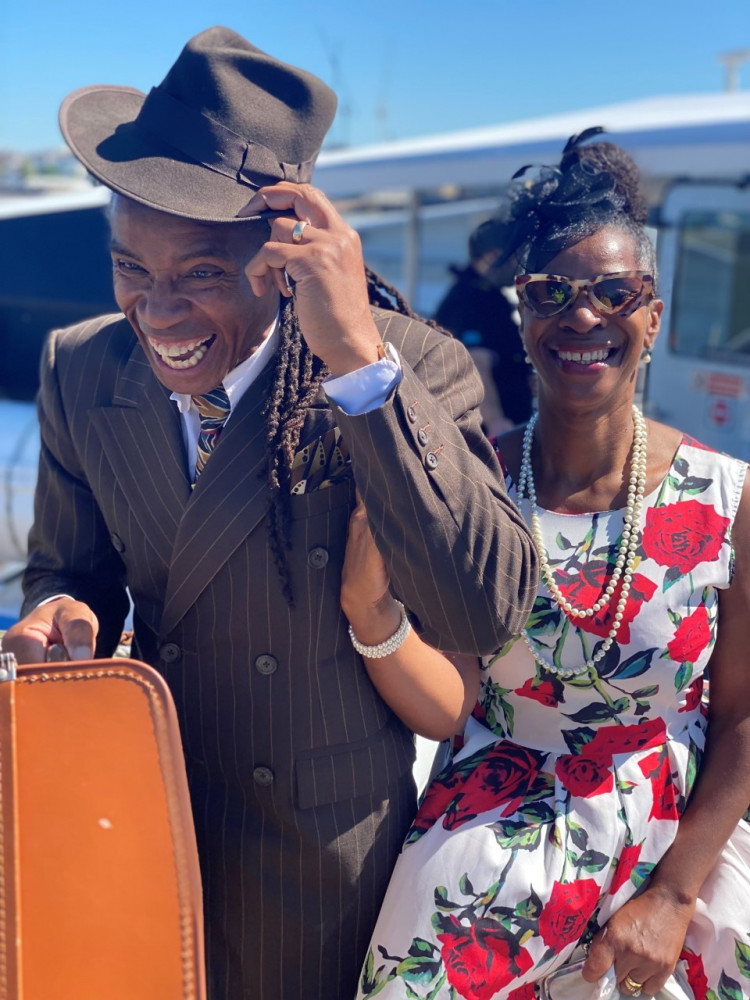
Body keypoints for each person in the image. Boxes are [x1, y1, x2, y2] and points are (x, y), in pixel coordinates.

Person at [2, 27, 539, 1000]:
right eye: (131, 268)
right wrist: (62, 616)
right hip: (137, 824)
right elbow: (69, 569)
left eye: (202, 273)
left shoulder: (401, 372)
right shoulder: (81, 368)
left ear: (290, 251)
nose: (158, 313)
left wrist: (359, 364)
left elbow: (483, 612)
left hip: (318, 866)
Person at [343, 134, 750, 999]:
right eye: (550, 293)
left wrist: (675, 894)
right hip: (487, 848)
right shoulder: (472, 482)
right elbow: (450, 703)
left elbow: (746, 718)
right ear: (522, 314)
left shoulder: (730, 499)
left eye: (614, 292)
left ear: (655, 314)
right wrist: (370, 613)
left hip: (671, 850)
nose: (582, 315)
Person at [434, 218, 533, 436]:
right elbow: (476, 364)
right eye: (516, 255)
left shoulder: (483, 295)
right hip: (492, 432)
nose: (520, 263)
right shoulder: (473, 300)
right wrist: (496, 422)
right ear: (494, 256)